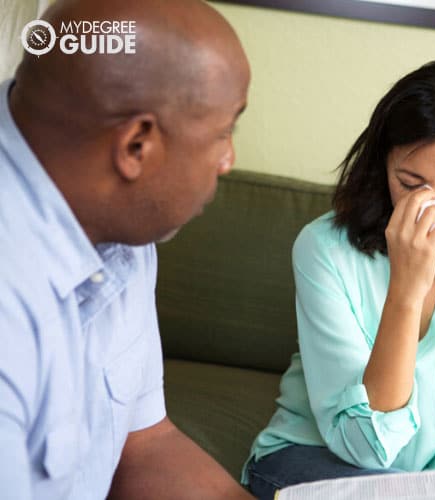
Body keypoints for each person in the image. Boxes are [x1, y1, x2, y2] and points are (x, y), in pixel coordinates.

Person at [243, 60, 435, 500]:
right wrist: (406, 288)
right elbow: (364, 447)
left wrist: (434, 489)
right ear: (384, 163)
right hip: (318, 458)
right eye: (410, 182)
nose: (432, 209)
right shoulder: (323, 250)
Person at [0, 0, 254, 498]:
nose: (229, 160)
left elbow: (145, 444)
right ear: (136, 145)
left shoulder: (122, 221)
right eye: (224, 132)